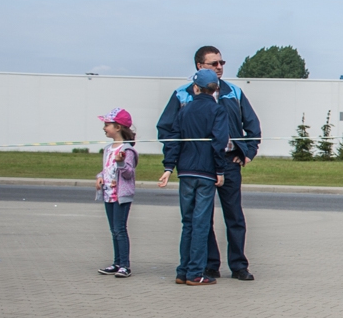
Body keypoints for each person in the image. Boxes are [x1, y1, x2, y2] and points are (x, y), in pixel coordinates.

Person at [156, 46, 262, 281]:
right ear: (199, 66)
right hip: (201, 165)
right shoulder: (182, 95)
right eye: (214, 63)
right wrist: (178, 157)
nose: (219, 67)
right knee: (202, 217)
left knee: (234, 216)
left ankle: (238, 265)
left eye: (222, 63)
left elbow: (252, 125)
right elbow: (166, 129)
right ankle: (209, 264)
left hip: (229, 162)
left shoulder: (233, 92)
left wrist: (247, 152)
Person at [159, 69, 231, 286]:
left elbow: (174, 140)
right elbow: (219, 143)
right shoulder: (218, 111)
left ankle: (182, 271)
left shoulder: (185, 110)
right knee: (201, 223)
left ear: (195, 88)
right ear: (215, 89)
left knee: (187, 223)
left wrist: (168, 167)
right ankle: (195, 273)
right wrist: (220, 171)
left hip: (186, 172)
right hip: (206, 173)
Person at [95, 108, 138, 278]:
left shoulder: (127, 150)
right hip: (108, 194)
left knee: (120, 229)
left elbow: (128, 173)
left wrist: (121, 163)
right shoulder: (107, 149)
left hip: (121, 195)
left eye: (107, 125)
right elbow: (106, 169)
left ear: (118, 127)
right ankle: (116, 262)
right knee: (113, 229)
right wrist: (100, 177)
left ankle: (125, 265)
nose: (104, 128)